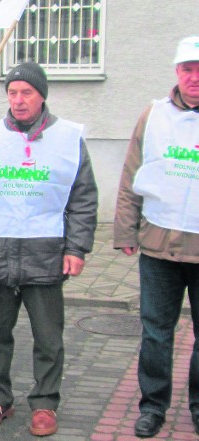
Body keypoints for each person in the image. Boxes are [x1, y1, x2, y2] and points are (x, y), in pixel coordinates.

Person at [0, 61, 98, 437]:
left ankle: (46, 402)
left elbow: (83, 198)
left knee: (48, 337)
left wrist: (77, 248)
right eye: (13, 93)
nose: (18, 100)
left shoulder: (67, 139)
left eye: (26, 93)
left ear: (41, 96)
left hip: (46, 253)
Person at [114, 35, 199, 439]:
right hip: (158, 244)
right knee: (156, 332)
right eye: (187, 69)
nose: (194, 77)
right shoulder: (154, 115)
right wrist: (124, 229)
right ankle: (153, 406)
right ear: (176, 72)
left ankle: (198, 405)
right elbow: (132, 174)